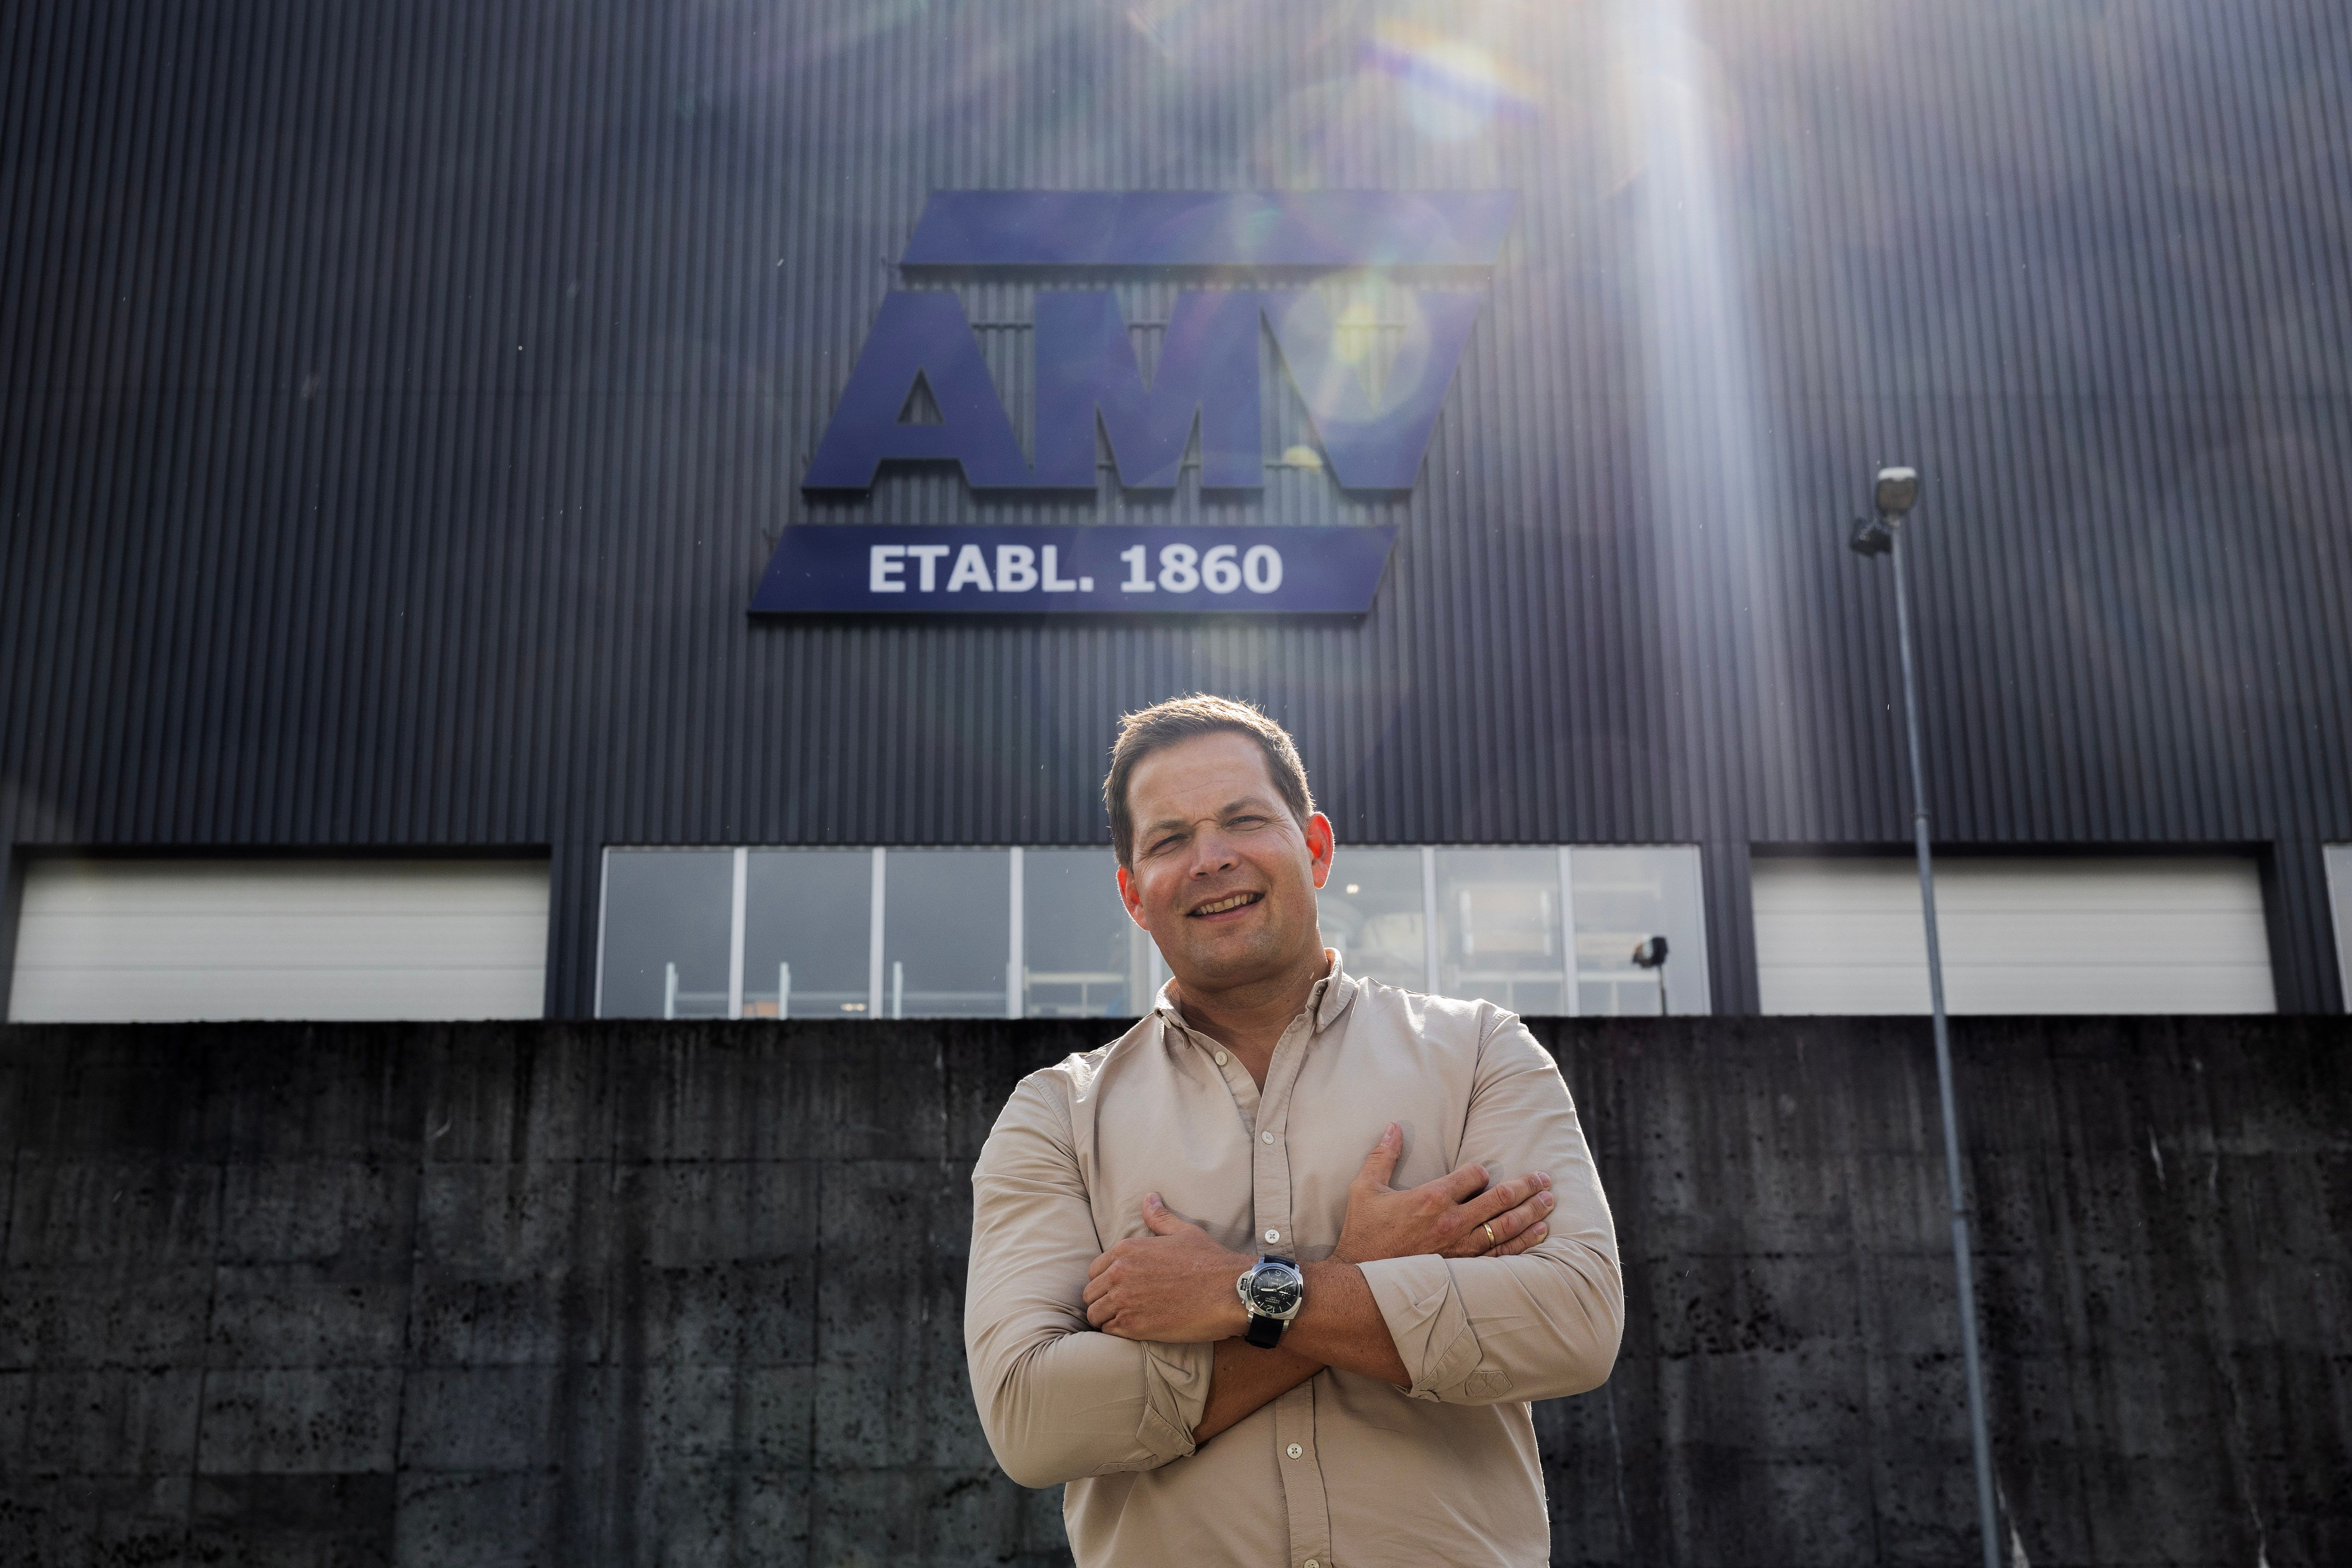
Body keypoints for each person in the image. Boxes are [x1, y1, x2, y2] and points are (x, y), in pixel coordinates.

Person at [964, 694, 1623, 1568]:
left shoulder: (1478, 1053)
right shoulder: (1055, 1116)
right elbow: (1032, 1419)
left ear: (1315, 848)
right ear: (1133, 894)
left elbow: (1573, 1321)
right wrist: (1358, 1273)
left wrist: (1243, 1292)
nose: (1211, 858)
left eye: (1243, 820)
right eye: (1169, 839)